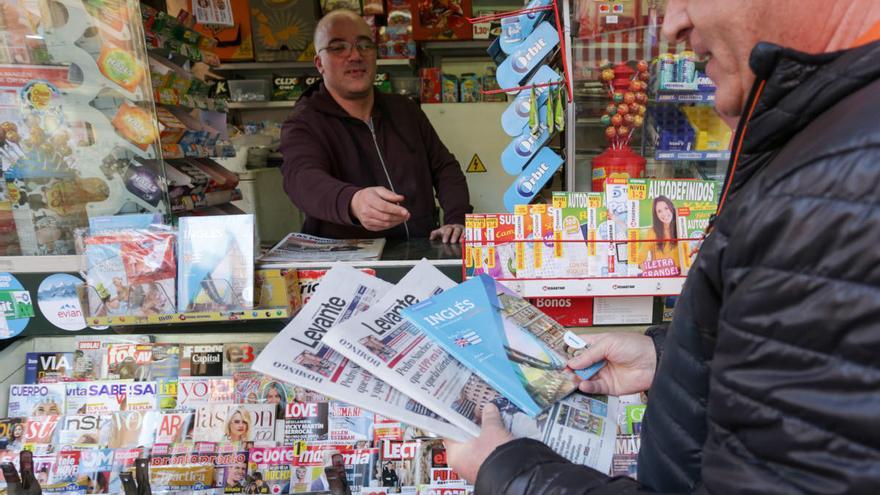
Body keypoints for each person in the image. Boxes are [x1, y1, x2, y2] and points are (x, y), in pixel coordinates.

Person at [445, 1, 880, 493]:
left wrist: (511, 473)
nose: (673, 23)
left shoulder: (842, 182)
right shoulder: (829, 143)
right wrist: (667, 358)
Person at [280, 10, 472, 243]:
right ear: (320, 63)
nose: (355, 56)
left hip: (419, 255)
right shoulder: (304, 122)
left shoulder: (405, 110)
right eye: (338, 47)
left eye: (364, 45)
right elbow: (301, 179)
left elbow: (444, 168)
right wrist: (352, 201)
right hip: (349, 265)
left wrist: (456, 218)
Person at [635, 195, 681, 274]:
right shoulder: (652, 232)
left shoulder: (681, 227)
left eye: (666, 208)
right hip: (660, 278)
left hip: (680, 276)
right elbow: (640, 257)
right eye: (659, 211)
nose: (664, 213)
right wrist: (652, 273)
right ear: (656, 215)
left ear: (671, 208)